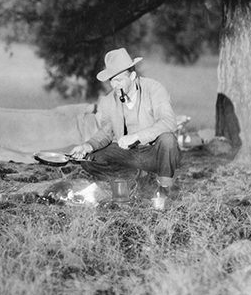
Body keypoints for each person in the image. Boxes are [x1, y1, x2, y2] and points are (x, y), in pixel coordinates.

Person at [68, 48, 181, 192]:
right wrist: (86, 146)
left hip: (154, 152)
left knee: (168, 139)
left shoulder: (154, 89)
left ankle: (165, 188)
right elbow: (106, 132)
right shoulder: (110, 100)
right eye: (112, 81)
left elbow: (169, 122)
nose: (115, 86)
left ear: (132, 76)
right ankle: (134, 179)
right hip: (130, 155)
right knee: (90, 159)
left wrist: (136, 137)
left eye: (119, 80)